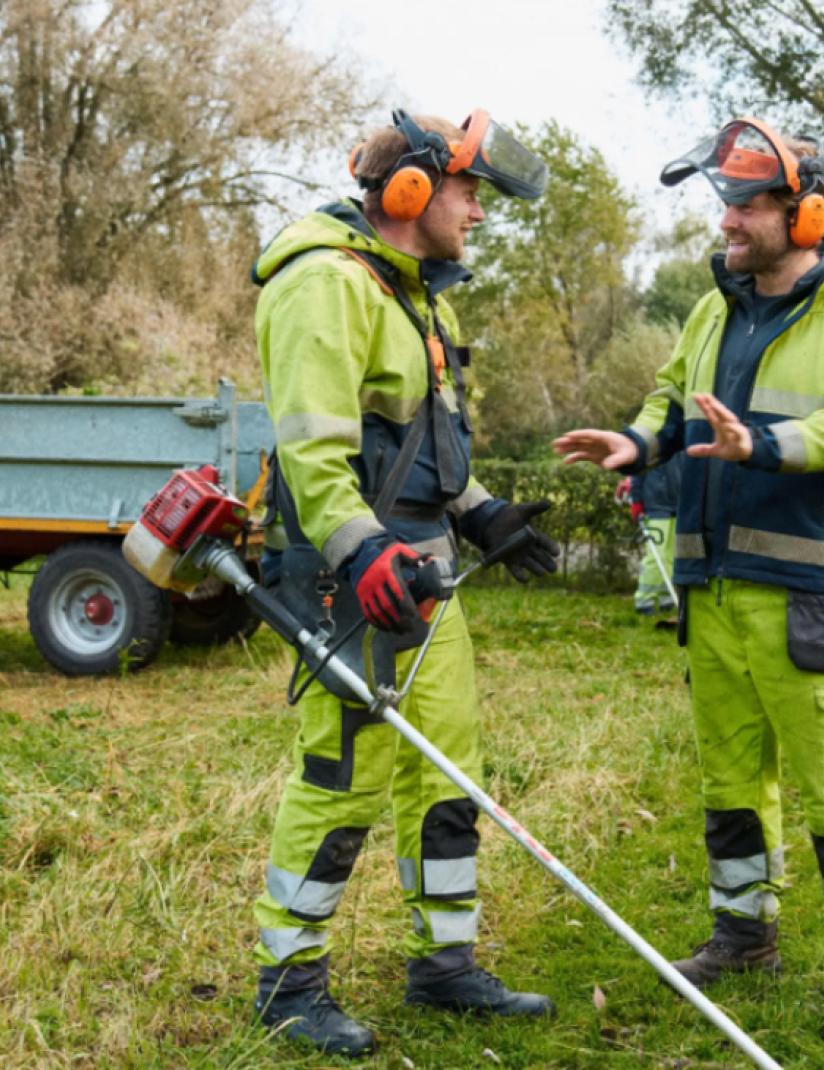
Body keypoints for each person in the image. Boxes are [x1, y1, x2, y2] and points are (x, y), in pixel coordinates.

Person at [554, 117, 824, 1054]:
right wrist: (638, 442)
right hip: (711, 591)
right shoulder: (715, 306)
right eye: (726, 206)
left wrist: (769, 445)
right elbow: (672, 400)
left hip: (807, 598)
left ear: (807, 211)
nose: (728, 223)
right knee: (729, 783)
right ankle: (744, 936)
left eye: (746, 205)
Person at [250, 108, 560, 1059]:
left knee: (447, 766)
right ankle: (289, 982)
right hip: (354, 574)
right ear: (410, 191)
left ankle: (446, 965)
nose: (477, 211)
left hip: (422, 569)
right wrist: (361, 551)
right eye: (468, 192)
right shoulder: (322, 286)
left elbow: (428, 447)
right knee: (344, 777)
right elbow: (313, 451)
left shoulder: (417, 295)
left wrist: (483, 512)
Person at [617, 451, 683, 614]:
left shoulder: (683, 441)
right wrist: (637, 501)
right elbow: (637, 475)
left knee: (671, 557)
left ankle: (665, 597)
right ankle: (644, 600)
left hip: (678, 505)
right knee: (656, 557)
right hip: (655, 506)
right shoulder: (653, 446)